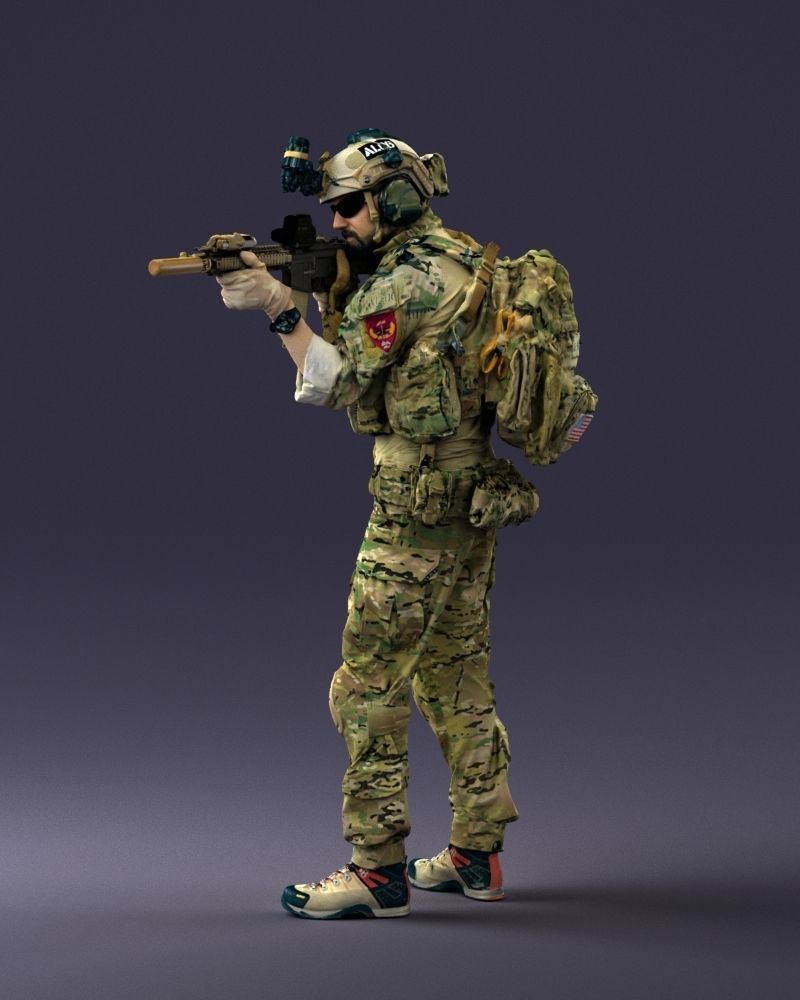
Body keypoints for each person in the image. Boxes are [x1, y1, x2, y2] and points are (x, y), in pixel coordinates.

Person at [217, 130, 531, 919]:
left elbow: (337, 382)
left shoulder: (402, 284)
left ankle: (377, 869)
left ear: (393, 198)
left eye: (352, 205)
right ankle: (477, 855)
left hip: (413, 510)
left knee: (365, 687)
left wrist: (280, 310)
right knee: (455, 674)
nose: (340, 221)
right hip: (471, 499)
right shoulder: (464, 258)